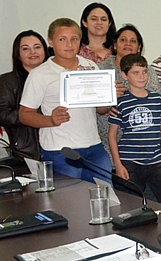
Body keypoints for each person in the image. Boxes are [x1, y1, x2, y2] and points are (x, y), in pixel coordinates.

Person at [19, 19, 112, 183]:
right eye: (62, 39)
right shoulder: (40, 74)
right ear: (50, 42)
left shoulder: (90, 66)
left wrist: (110, 96)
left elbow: (101, 109)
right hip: (60, 149)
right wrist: (50, 120)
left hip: (94, 145)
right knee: (70, 203)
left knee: (105, 197)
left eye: (74, 39)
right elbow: (24, 114)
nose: (69, 44)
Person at [108, 54, 161, 208]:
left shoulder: (157, 99)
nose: (141, 76)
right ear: (124, 75)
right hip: (129, 163)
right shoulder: (120, 102)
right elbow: (112, 135)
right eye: (135, 73)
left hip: (156, 161)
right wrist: (118, 164)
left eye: (144, 72)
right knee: (131, 207)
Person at [97, 24, 161, 161]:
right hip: (106, 143)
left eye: (133, 41)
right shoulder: (101, 69)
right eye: (123, 40)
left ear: (139, 47)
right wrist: (106, 105)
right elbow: (93, 103)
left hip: (142, 145)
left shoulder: (149, 71)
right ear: (115, 45)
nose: (128, 44)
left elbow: (158, 107)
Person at [0, 31, 47, 161]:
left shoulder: (57, 77)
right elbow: (2, 114)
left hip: (58, 145)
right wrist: (33, 114)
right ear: (18, 54)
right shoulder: (7, 81)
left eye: (37, 47)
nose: (33, 52)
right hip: (26, 151)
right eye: (26, 48)